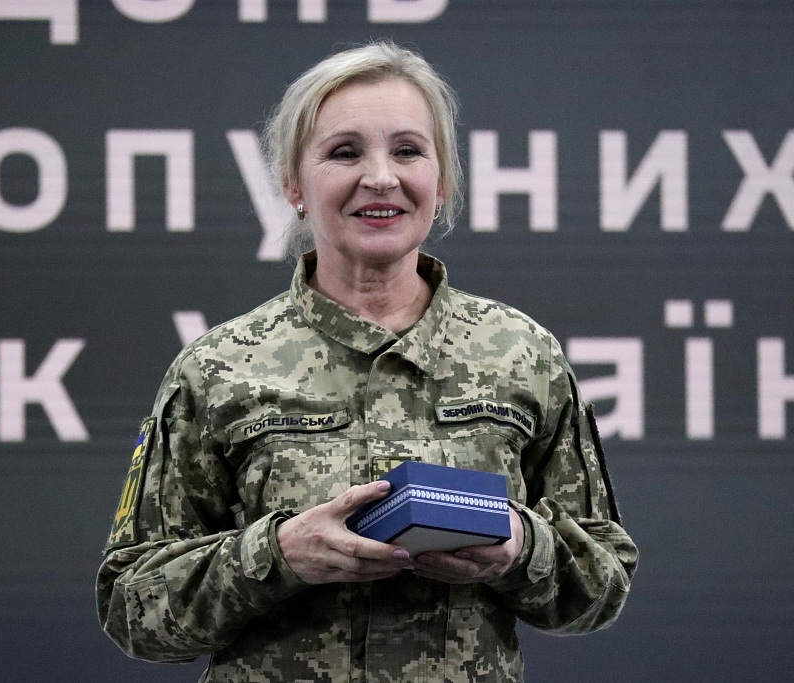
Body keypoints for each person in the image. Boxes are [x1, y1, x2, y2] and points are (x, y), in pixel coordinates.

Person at [96, 40, 638, 683]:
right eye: (344, 152)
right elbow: (131, 606)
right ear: (293, 184)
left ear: (443, 181)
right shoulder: (217, 368)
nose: (380, 177)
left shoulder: (524, 355)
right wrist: (277, 554)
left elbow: (604, 583)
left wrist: (520, 548)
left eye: (408, 151)